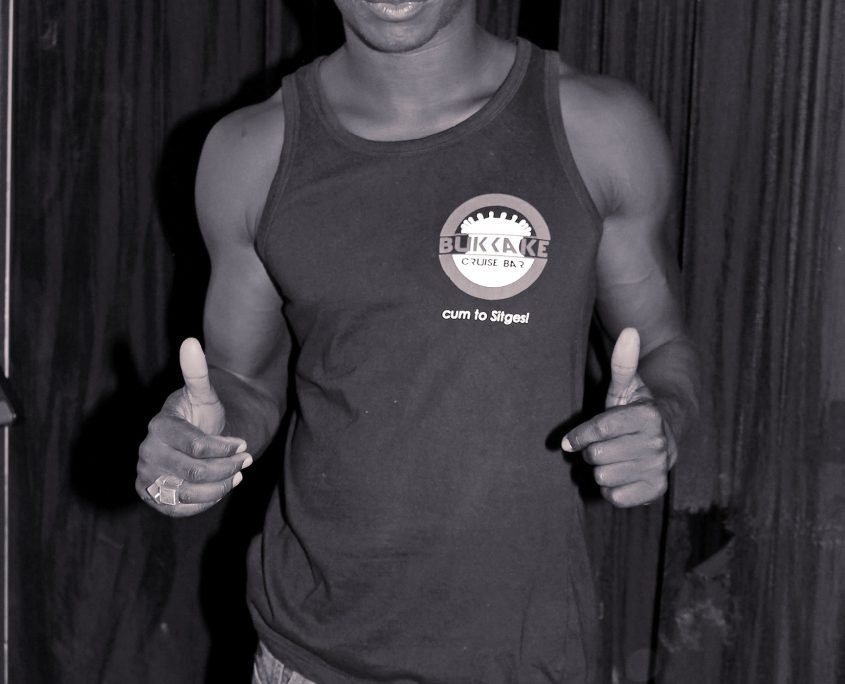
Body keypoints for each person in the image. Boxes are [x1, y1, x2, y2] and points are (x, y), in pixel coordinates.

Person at [136, 1, 698, 681]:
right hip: (308, 655)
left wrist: (663, 418)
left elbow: (663, 345)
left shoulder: (597, 129)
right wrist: (196, 446)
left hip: (526, 658)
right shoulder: (250, 152)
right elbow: (243, 380)